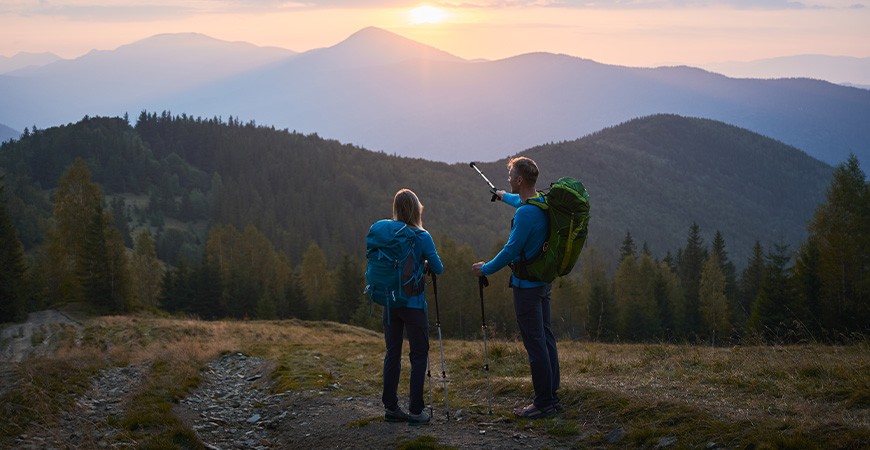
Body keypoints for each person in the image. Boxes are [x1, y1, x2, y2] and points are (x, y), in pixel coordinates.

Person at [471, 156, 561, 419]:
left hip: (526, 288)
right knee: (546, 338)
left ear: (520, 180)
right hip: (542, 282)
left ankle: (543, 402)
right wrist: (501, 196)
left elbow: (511, 250)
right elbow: (520, 201)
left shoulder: (524, 214)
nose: (508, 179)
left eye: (510, 176)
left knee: (535, 345)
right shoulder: (541, 202)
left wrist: (485, 268)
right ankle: (552, 395)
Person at [381, 188, 444, 425]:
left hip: (389, 302)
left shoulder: (387, 234)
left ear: (396, 209)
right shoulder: (421, 236)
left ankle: (391, 407)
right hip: (414, 305)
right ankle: (416, 411)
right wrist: (425, 262)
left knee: (392, 353)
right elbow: (438, 268)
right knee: (418, 355)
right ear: (416, 209)